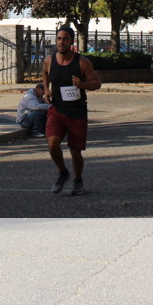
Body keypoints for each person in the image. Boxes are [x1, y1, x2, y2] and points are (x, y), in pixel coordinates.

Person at [42, 26, 101, 196]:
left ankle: (78, 179)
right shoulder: (49, 60)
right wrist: (46, 89)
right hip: (57, 109)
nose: (61, 42)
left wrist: (82, 85)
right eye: (59, 38)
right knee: (52, 143)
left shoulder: (82, 62)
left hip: (77, 112)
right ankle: (63, 172)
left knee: (75, 151)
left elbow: (97, 83)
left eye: (65, 39)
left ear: (71, 41)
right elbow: (45, 73)